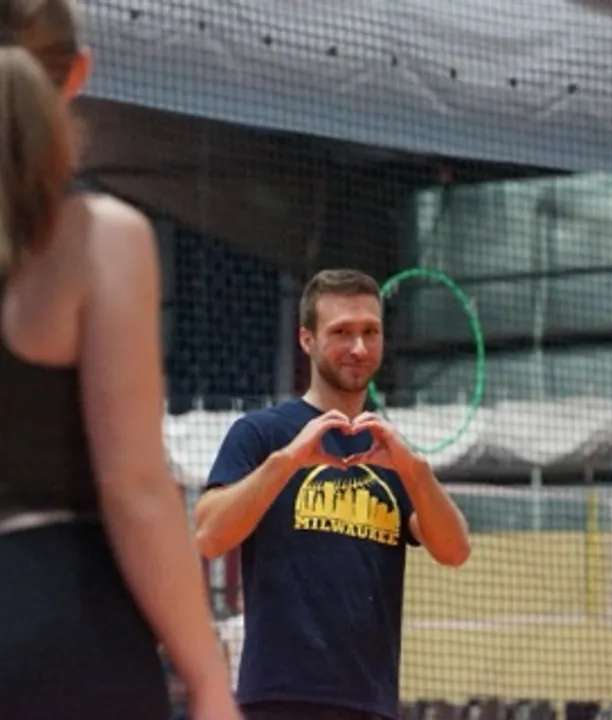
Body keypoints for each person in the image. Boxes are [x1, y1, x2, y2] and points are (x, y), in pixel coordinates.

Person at [0, 2, 240, 718]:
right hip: (58, 623)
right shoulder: (100, 239)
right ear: (77, 74)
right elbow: (133, 485)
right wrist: (208, 679)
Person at [195, 268, 472, 720]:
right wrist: (287, 461)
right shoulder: (261, 434)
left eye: (370, 332)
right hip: (280, 700)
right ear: (307, 340)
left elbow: (455, 550)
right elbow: (208, 535)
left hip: (371, 703)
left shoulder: (391, 450)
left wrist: (416, 471)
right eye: (342, 332)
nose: (359, 348)